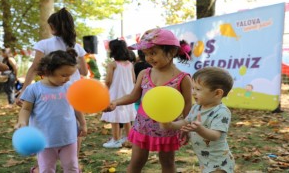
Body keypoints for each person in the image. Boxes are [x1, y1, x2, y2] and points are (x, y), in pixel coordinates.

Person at [107, 28, 193, 172]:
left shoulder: (183, 78)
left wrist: (186, 127)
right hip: (142, 127)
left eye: (153, 53)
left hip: (168, 129)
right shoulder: (144, 73)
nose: (148, 58)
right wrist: (116, 102)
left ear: (171, 52)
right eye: (145, 54)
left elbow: (188, 104)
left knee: (168, 164)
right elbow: (133, 96)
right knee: (135, 163)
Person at [15, 7, 88, 173]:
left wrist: (23, 88)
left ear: (53, 27)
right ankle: (62, 164)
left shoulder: (44, 44)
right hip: (66, 93)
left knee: (67, 129)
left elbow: (34, 68)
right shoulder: (77, 46)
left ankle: (65, 165)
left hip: (62, 91)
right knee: (64, 127)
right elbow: (83, 72)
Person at [160, 67, 235, 173]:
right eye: (193, 88)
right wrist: (171, 125)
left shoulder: (222, 112)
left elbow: (215, 136)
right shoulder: (197, 107)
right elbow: (186, 121)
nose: (193, 93)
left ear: (217, 93)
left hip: (219, 162)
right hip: (205, 160)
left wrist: (200, 129)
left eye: (198, 89)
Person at [101, 39, 137, 148]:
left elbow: (108, 81)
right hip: (127, 93)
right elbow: (134, 79)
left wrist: (104, 90)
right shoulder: (130, 64)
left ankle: (116, 139)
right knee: (126, 116)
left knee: (114, 117)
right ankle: (129, 138)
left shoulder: (112, 64)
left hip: (115, 93)